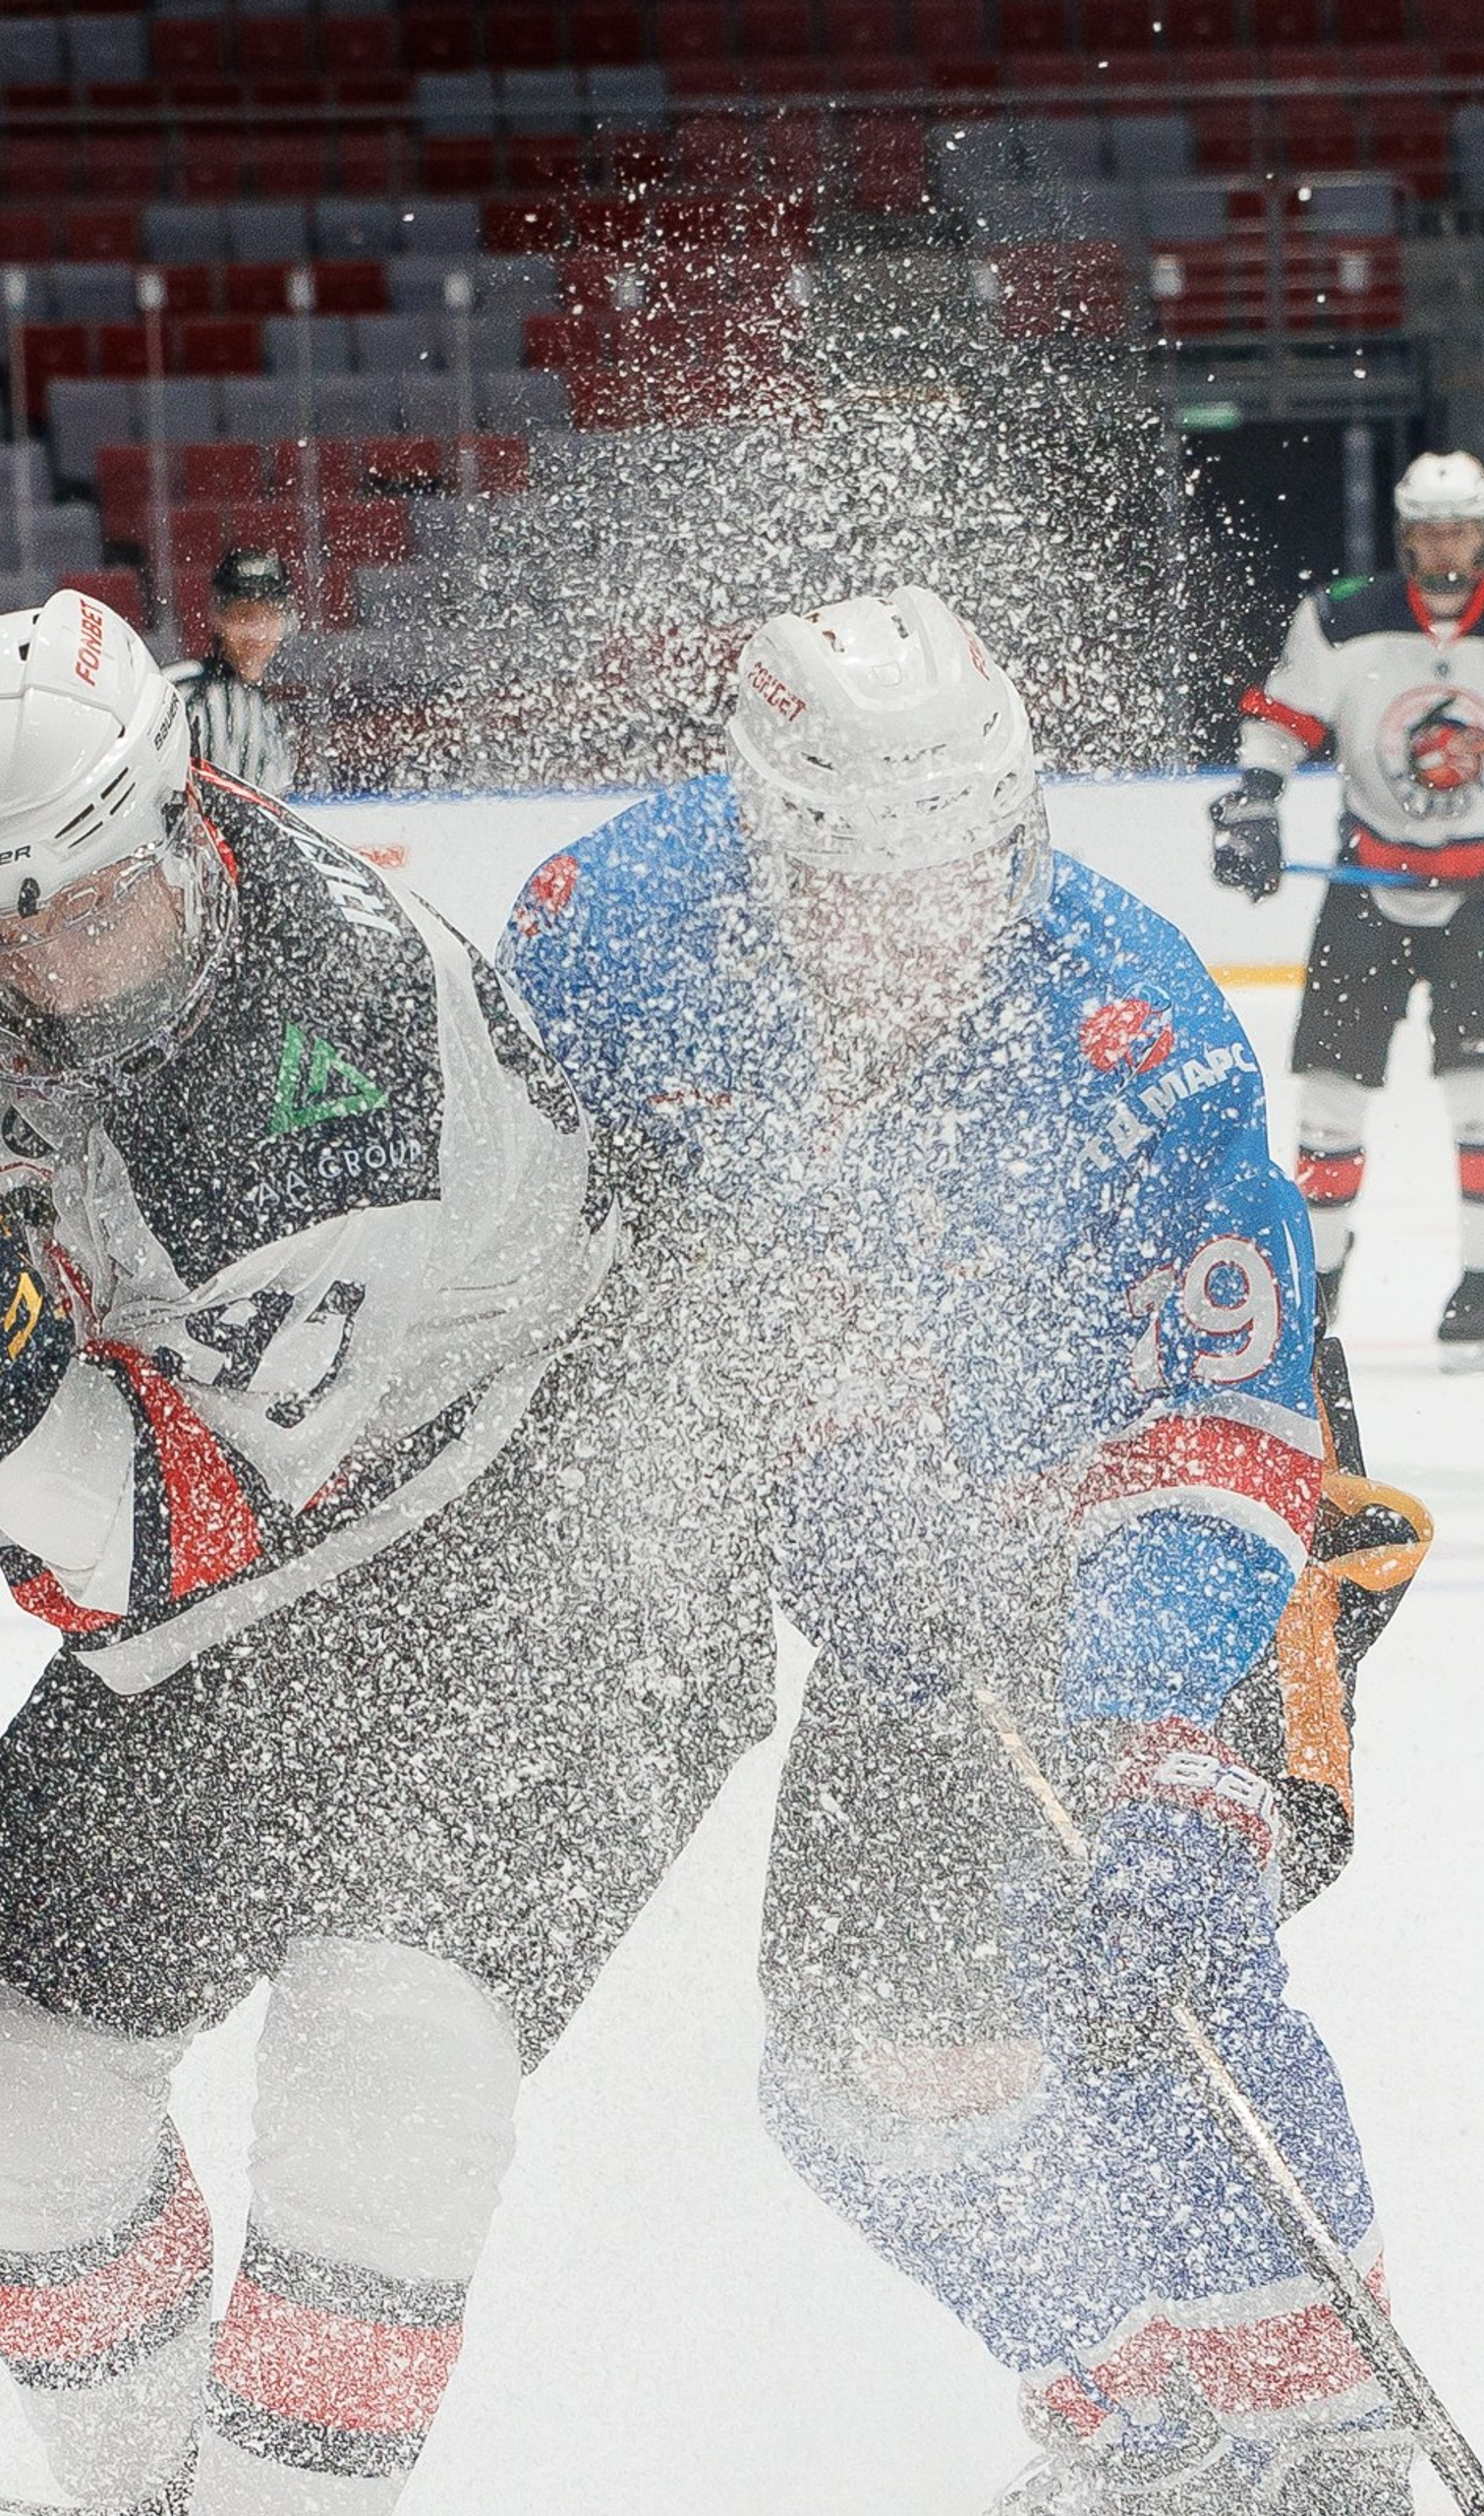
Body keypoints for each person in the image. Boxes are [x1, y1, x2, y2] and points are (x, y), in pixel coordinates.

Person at [0, 587, 762, 2514]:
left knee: (381, 2049)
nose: (37, 959)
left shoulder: (335, 1054)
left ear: (171, 820)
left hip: (563, 1509)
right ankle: (149, 2491)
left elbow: (156, 1536)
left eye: (84, 901)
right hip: (240, 1511)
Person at [502, 588, 1421, 2514]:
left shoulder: (1131, 1027)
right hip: (890, 1565)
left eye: (966, 866)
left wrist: (1159, 1719)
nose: (925, 924)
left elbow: (1210, 1421)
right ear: (763, 839)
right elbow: (533, 1254)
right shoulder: (604, 937)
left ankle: (1329, 2451)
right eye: (862, 882)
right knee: (853, 2063)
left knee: (1148, 1971)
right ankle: (1145, 2432)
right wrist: (740, 1445)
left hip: (1171, 1525)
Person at [1209, 448, 1484, 1352]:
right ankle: (1317, 1280)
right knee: (1329, 1103)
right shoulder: (1342, 618)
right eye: (1432, 527)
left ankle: (1480, 1279)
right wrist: (1254, 798)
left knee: (1480, 1098)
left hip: (1479, 894)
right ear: (1407, 537)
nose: (1447, 542)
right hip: (1372, 885)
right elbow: (1283, 717)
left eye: (1463, 526)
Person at [164, 545, 298, 797]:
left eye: (269, 616)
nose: (257, 632)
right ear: (218, 617)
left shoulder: (275, 716)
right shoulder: (178, 692)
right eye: (244, 615)